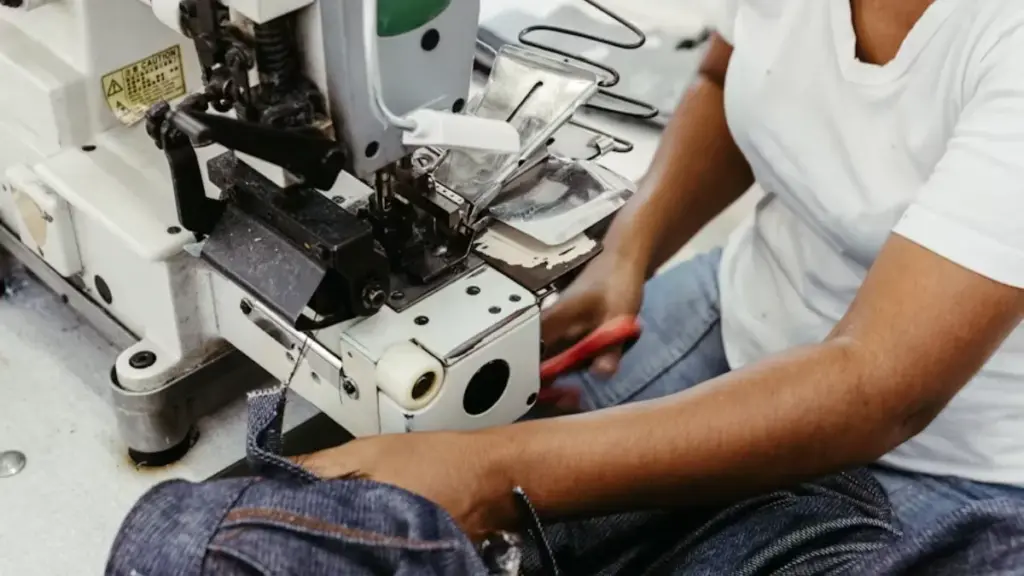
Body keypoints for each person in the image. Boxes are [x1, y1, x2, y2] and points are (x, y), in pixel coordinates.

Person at [292, 0, 1024, 570]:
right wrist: (629, 248)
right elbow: (724, 77)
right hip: (750, 309)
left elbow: (881, 389)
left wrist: (489, 475)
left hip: (957, 457)